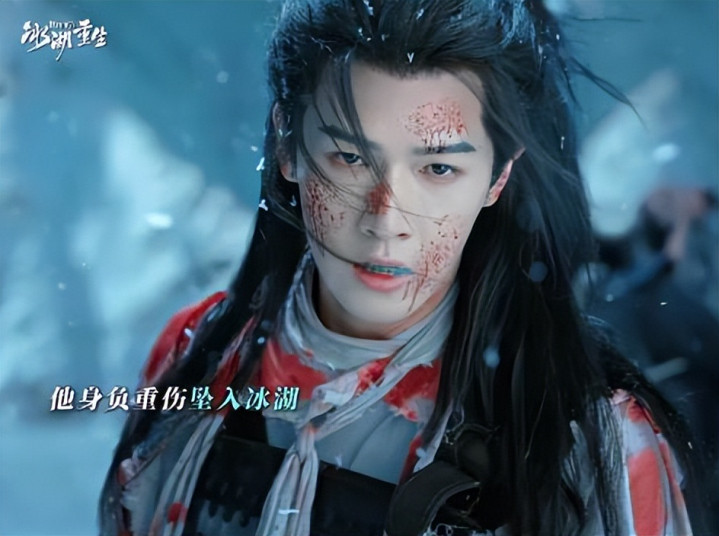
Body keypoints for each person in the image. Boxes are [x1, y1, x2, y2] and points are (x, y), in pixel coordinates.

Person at [99, 1, 705, 534]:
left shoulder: (587, 442)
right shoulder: (200, 352)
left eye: (438, 169)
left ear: (498, 177)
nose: (386, 218)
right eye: (349, 157)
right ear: (288, 144)